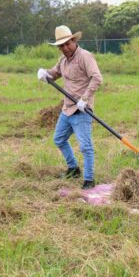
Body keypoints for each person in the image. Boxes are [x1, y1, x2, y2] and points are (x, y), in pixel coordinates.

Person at [37, 25, 103, 189]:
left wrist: (85, 98)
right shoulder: (63, 60)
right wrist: (45, 73)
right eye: (61, 46)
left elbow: (97, 78)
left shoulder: (85, 57)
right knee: (59, 139)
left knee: (86, 147)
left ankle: (89, 180)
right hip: (67, 108)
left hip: (82, 110)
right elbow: (56, 72)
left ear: (74, 40)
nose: (65, 48)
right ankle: (73, 169)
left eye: (67, 44)